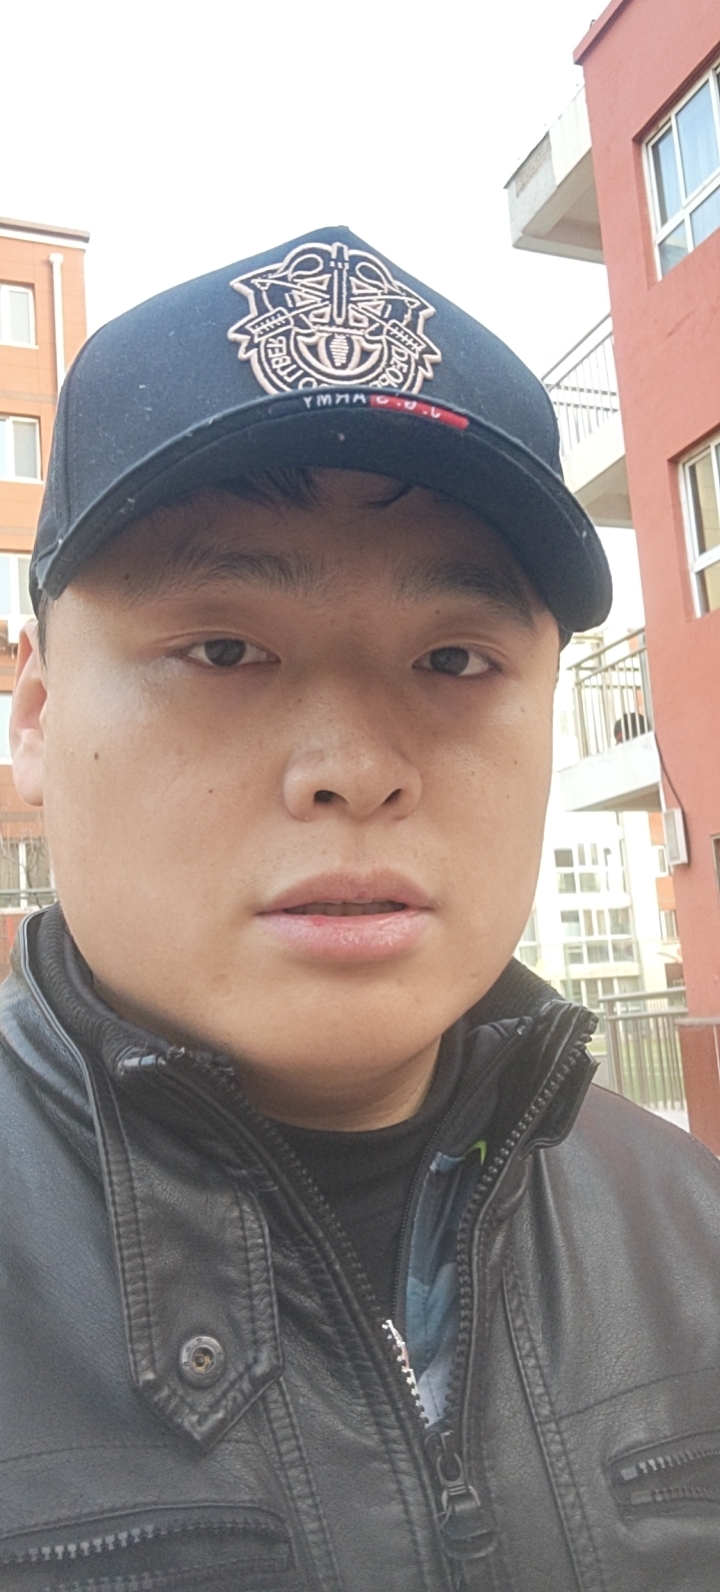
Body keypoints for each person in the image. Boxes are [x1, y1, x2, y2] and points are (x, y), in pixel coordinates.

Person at [2, 227, 719, 1592]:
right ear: (35, 713)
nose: (354, 768)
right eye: (225, 649)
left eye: (453, 659)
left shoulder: (695, 1236)